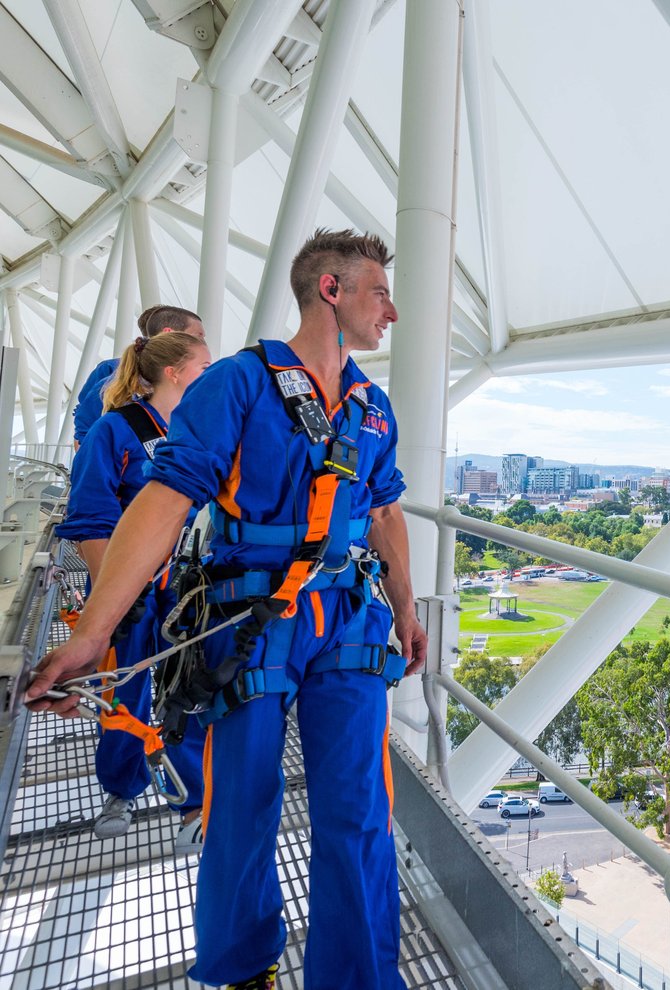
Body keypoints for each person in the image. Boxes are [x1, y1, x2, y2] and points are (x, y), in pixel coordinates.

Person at [27, 228, 427, 990]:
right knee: (241, 807)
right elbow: (167, 497)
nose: (393, 311)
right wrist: (92, 634)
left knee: (360, 815)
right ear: (331, 292)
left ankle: (360, 980)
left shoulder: (373, 409)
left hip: (346, 619)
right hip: (247, 624)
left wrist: (406, 610)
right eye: (380, 292)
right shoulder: (238, 384)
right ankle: (245, 969)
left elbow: (384, 512)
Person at [53, 330, 212, 844]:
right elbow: (91, 518)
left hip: (185, 584)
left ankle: (194, 803)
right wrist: (110, 597)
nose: (213, 375)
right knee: (124, 685)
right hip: (134, 589)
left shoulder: (199, 431)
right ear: (174, 372)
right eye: (203, 366)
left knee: (187, 683)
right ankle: (122, 786)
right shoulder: (113, 432)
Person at [72, 305, 205, 448]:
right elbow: (84, 432)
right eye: (198, 336)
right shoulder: (112, 376)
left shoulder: (189, 386)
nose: (202, 342)